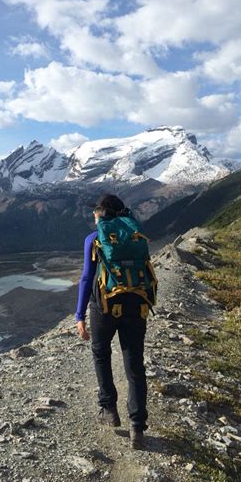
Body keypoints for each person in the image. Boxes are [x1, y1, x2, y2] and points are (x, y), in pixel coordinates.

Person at [75, 193, 149, 450]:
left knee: (101, 353)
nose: (93, 214)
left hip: (104, 307)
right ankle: (137, 426)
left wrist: (79, 315)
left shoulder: (94, 239)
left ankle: (109, 409)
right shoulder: (135, 236)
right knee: (134, 363)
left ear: (102, 213)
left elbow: (86, 278)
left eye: (96, 211)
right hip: (137, 306)